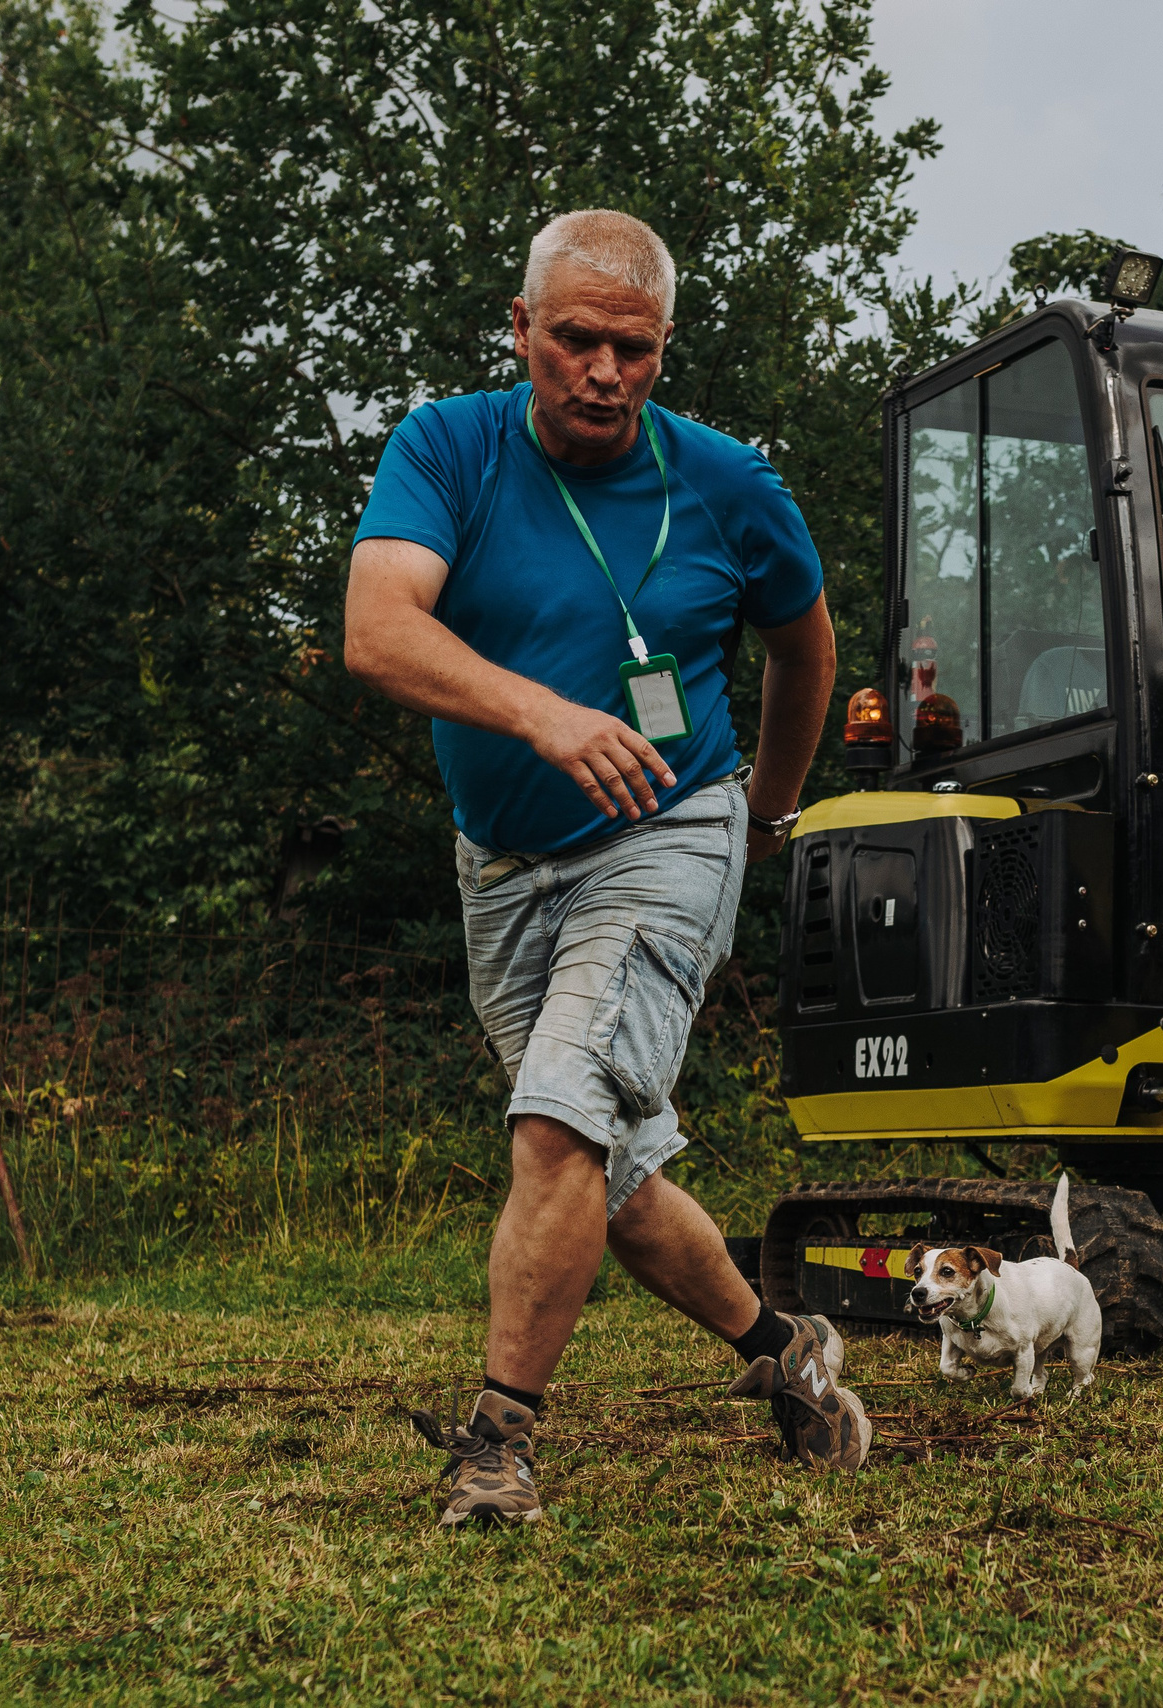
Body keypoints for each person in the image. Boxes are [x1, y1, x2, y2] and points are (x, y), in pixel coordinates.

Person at [343, 208, 867, 1527]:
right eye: (575, 340)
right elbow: (376, 628)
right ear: (520, 331)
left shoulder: (731, 487)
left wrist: (772, 813)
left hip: (673, 830)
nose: (604, 373)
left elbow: (806, 653)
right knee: (611, 1180)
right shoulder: (448, 448)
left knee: (558, 1121)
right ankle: (783, 1353)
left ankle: (498, 1445)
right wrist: (542, 713)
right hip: (506, 864)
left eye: (633, 349)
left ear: (662, 349)